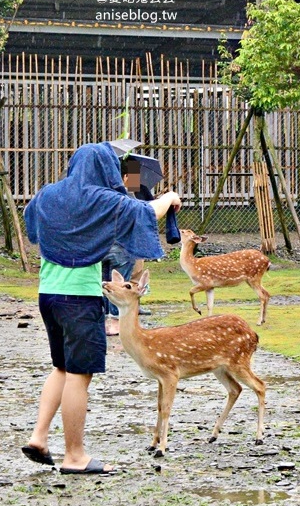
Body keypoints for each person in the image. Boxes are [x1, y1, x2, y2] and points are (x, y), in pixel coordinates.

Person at [22, 142, 181, 474]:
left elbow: (30, 216)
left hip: (47, 293)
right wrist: (168, 199)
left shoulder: (50, 195)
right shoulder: (102, 199)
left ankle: (38, 437)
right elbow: (145, 212)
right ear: (106, 169)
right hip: (80, 298)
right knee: (80, 375)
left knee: (62, 368)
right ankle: (74, 456)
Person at [103, 156, 156, 336]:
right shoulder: (128, 197)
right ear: (124, 176)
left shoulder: (101, 193)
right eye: (133, 174)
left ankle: (108, 317)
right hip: (124, 246)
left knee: (106, 282)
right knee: (120, 282)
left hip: (101, 246)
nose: (136, 178)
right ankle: (114, 320)